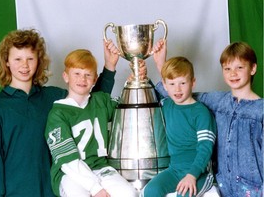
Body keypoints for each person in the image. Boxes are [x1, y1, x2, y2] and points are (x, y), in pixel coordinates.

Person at [0, 28, 120, 197]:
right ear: (7, 62)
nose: (24, 65)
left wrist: (109, 67)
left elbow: (92, 103)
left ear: (39, 61)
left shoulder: (54, 98)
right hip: (16, 193)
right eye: (18, 59)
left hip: (55, 191)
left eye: (30, 59)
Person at [153, 40, 263, 196]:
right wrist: (161, 65)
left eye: (239, 67)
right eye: (227, 68)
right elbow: (180, 95)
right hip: (224, 186)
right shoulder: (218, 101)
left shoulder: (261, 111)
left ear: (252, 69)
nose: (233, 73)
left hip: (253, 190)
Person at [44, 49, 138, 197]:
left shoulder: (100, 100)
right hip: (69, 173)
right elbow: (68, 162)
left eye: (88, 75)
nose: (82, 79)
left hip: (100, 167)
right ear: (66, 76)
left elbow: (125, 107)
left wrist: (135, 82)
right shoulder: (58, 114)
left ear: (94, 80)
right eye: (77, 74)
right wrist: (95, 188)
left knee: (129, 193)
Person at [141, 56, 217, 197]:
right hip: (174, 170)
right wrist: (142, 77)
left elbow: (205, 148)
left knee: (184, 195)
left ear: (192, 82)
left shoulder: (201, 113)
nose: (177, 89)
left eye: (182, 83)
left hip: (199, 172)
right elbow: (150, 96)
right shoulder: (166, 105)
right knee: (149, 191)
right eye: (172, 84)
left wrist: (192, 175)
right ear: (164, 85)